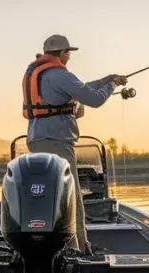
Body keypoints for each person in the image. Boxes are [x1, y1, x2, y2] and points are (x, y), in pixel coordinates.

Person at [22, 34, 127, 256]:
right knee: (71, 196)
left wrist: (107, 79)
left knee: (50, 194)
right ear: (62, 53)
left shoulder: (43, 73)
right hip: (57, 142)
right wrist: (111, 86)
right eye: (69, 52)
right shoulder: (58, 73)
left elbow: (82, 88)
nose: (70, 56)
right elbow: (94, 99)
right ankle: (76, 248)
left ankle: (58, 246)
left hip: (38, 139)